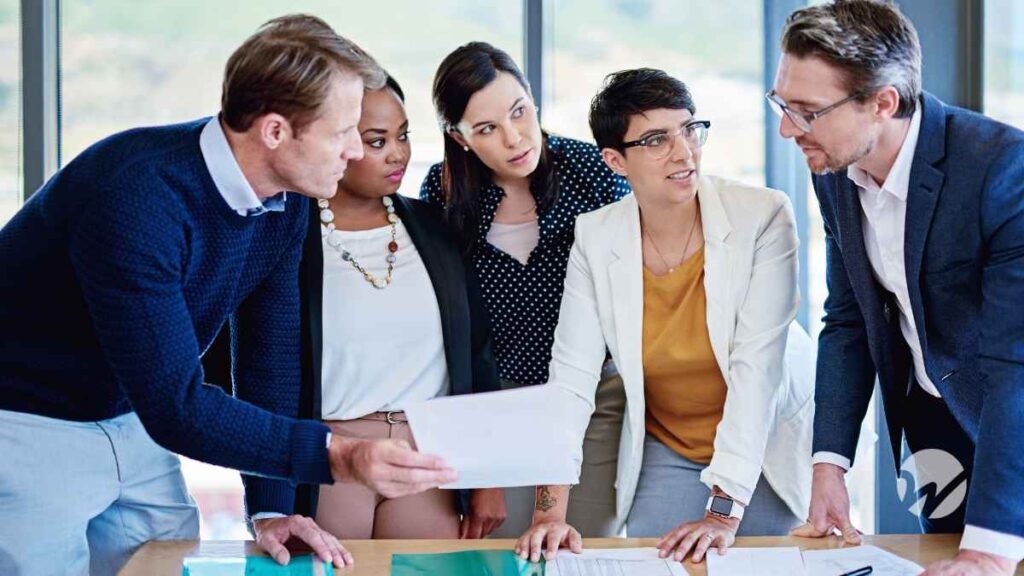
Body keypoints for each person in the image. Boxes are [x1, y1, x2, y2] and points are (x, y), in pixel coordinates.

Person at [0, 15, 454, 575]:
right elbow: (176, 404)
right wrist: (338, 454)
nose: (355, 153)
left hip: (130, 418)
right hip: (24, 422)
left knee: (166, 564)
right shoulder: (137, 200)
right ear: (275, 131)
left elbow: (269, 359)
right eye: (341, 133)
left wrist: (270, 506)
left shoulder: (287, 200)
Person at [515, 68, 815, 564]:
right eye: (656, 139)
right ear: (615, 161)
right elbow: (571, 378)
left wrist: (721, 512)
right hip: (669, 444)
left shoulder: (762, 215)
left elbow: (756, 372)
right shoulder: (596, 237)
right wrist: (549, 512)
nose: (684, 152)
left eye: (689, 129)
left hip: (765, 442)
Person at [768, 1, 1024, 574]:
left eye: (806, 111)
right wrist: (829, 464)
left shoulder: (1003, 170)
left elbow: (1016, 364)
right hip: (935, 420)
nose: (787, 128)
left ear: (882, 102)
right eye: (783, 104)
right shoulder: (834, 169)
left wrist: (990, 550)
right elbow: (850, 319)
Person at [243, 75, 505, 553]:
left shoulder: (435, 228)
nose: (398, 154)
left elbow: (476, 355)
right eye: (377, 141)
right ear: (337, 141)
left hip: (426, 452)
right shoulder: (284, 236)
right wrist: (268, 502)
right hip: (328, 455)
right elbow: (262, 376)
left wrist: (486, 475)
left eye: (403, 135)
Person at [420, 42, 632, 538]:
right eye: (487, 129)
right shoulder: (443, 191)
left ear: (534, 100)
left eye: (519, 112)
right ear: (460, 137)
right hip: (501, 404)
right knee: (507, 547)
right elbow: (455, 323)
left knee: (585, 541)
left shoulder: (593, 172)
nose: (515, 138)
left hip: (593, 397)